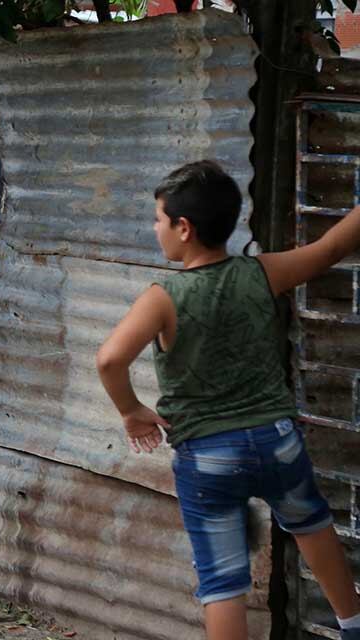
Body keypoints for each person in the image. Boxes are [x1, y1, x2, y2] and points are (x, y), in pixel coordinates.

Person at [96, 160, 360, 640]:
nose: (155, 229)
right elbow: (330, 249)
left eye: (158, 219)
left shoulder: (163, 297)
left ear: (184, 228)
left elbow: (110, 360)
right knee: (313, 526)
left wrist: (132, 412)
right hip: (277, 442)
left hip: (208, 456)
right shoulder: (262, 272)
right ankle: (353, 624)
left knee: (222, 585)